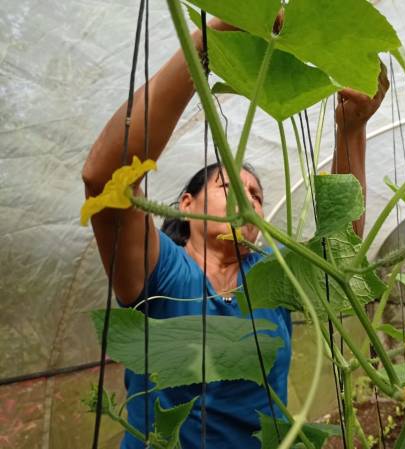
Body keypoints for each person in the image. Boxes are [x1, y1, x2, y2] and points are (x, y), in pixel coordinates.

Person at [82, 15, 388, 449]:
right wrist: (214, 36)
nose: (249, 202)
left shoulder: (271, 274)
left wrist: (351, 128)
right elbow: (104, 178)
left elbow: (340, 260)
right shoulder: (163, 272)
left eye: (257, 195)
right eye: (229, 187)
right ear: (186, 206)